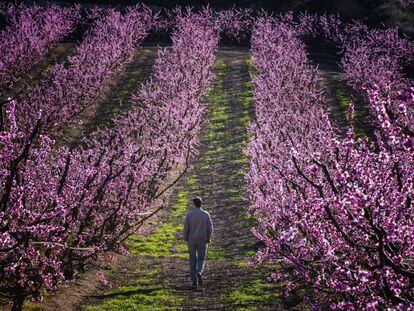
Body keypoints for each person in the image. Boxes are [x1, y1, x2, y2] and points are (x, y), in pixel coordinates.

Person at [183, 196, 213, 290]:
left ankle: (194, 282)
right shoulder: (206, 214)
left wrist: (185, 237)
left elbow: (186, 228)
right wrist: (209, 237)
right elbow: (210, 227)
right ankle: (199, 272)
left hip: (191, 240)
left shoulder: (189, 215)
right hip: (202, 239)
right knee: (201, 258)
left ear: (193, 204)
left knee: (192, 260)